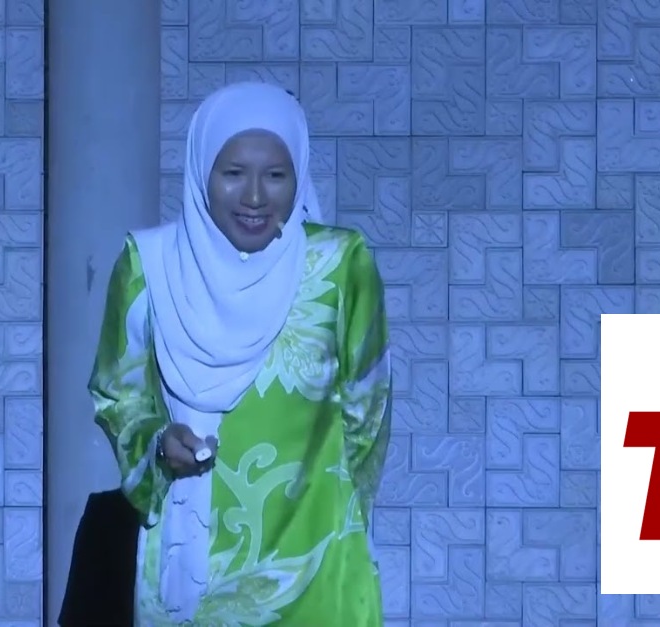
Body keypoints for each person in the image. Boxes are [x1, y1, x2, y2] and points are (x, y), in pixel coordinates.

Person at [88, 81, 393, 626]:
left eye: (275, 175)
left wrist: (343, 522)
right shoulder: (148, 267)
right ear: (201, 171)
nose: (254, 197)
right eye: (233, 173)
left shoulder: (341, 265)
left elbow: (367, 414)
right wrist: (156, 446)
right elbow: (119, 397)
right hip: (192, 566)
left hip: (318, 566)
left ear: (299, 176)